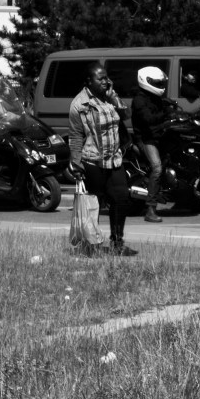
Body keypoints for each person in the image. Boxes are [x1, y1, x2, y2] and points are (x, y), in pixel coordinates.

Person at [68, 62, 135, 256]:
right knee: (94, 204)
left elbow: (126, 115)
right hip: (92, 161)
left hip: (114, 159)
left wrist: (114, 97)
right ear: (89, 81)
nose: (106, 81)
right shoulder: (79, 104)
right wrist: (76, 162)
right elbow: (75, 136)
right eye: (101, 79)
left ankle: (117, 243)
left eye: (106, 77)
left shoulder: (109, 97)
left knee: (121, 198)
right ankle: (91, 245)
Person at [130, 66, 174, 223]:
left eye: (161, 83)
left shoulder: (156, 98)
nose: (161, 86)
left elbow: (165, 111)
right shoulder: (139, 100)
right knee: (157, 168)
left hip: (158, 136)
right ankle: (150, 209)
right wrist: (166, 113)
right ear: (146, 81)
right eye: (157, 83)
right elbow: (149, 119)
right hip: (146, 140)